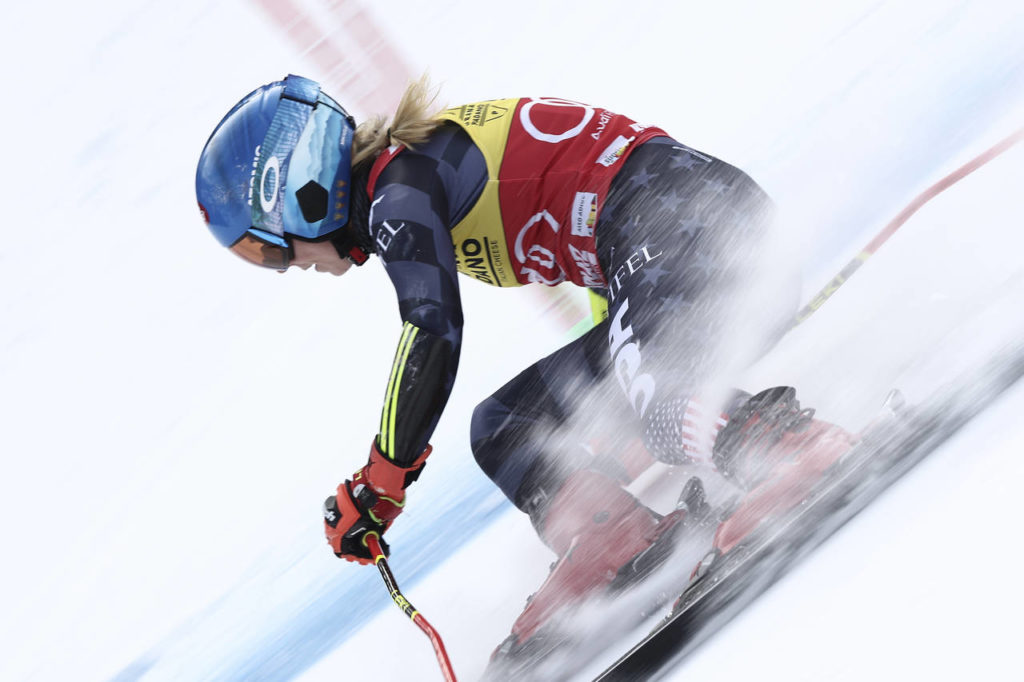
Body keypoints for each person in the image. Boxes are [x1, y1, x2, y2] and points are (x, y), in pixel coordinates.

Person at [195, 74, 856, 658]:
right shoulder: (413, 171)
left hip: (704, 238)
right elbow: (601, 225)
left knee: (656, 400)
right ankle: (615, 538)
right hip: (686, 238)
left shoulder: (400, 193)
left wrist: (383, 480)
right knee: (505, 425)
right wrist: (614, 400)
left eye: (266, 248)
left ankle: (788, 448)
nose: (281, 265)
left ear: (302, 192)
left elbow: (432, 328)